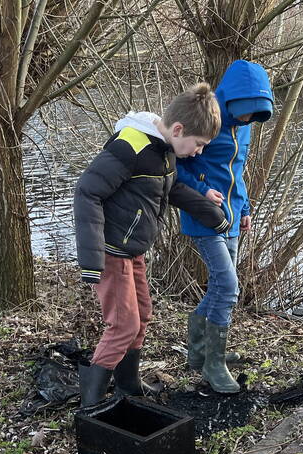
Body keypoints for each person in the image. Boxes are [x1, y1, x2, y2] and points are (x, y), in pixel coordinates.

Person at [73, 84, 230, 407]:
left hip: (134, 249)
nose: (198, 152)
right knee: (124, 324)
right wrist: (91, 260)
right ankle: (91, 403)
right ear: (178, 129)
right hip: (110, 251)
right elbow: (87, 193)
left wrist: (211, 212)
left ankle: (128, 386)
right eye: (198, 145)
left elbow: (169, 190)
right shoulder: (129, 146)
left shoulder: (164, 149)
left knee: (142, 315)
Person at [176, 60, 274, 394]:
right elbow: (176, 168)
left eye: (255, 114)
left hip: (232, 215)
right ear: (232, 100)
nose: (249, 119)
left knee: (219, 287)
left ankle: (200, 352)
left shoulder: (244, 127)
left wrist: (245, 207)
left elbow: (238, 171)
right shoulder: (208, 119)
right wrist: (202, 191)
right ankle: (213, 366)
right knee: (229, 286)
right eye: (246, 111)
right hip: (204, 217)